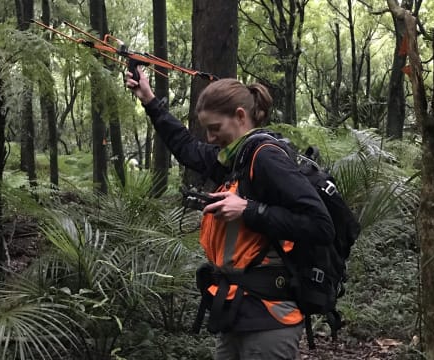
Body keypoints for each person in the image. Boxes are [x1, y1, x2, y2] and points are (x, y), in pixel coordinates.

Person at [126, 68, 334, 360]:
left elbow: (320, 225)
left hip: (270, 316)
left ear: (239, 116)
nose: (210, 138)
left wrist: (248, 210)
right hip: (236, 310)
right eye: (207, 130)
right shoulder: (235, 158)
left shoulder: (265, 157)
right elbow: (187, 149)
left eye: (215, 128)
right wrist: (149, 100)